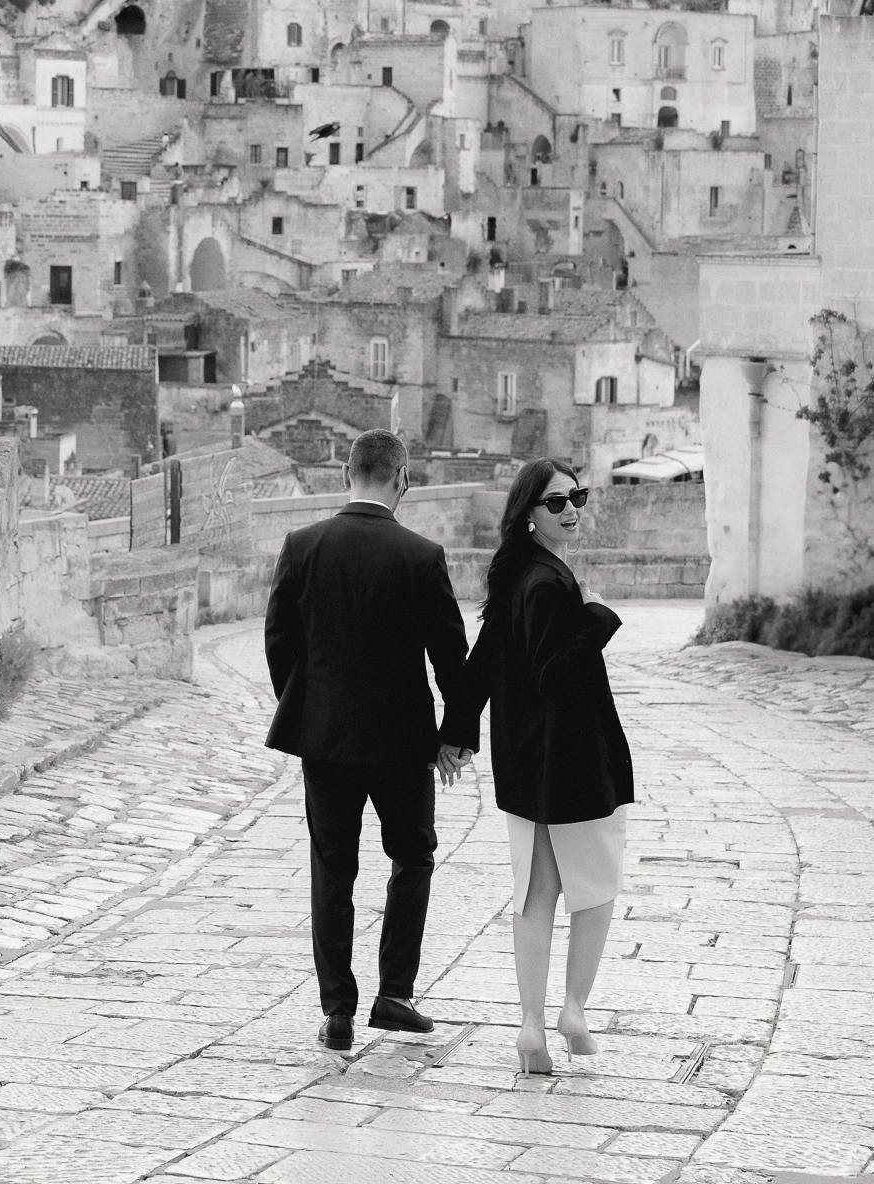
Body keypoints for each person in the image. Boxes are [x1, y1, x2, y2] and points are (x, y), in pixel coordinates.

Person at [264, 429, 475, 1054]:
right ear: (401, 478)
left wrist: (306, 710)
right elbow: (451, 657)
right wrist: (454, 737)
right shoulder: (421, 554)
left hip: (325, 743)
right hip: (403, 744)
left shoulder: (302, 547)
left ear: (347, 474)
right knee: (412, 858)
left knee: (333, 868)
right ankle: (395, 994)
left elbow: (280, 642)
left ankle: (337, 1012)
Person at [459, 457, 632, 1075]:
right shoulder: (547, 583)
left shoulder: (514, 576)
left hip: (526, 764)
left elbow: (482, 663)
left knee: (536, 894)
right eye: (557, 502)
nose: (573, 510)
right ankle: (573, 1010)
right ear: (529, 515)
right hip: (575, 764)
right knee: (597, 887)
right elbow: (555, 672)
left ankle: (531, 1028)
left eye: (578, 497)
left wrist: (456, 734)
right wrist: (598, 618)